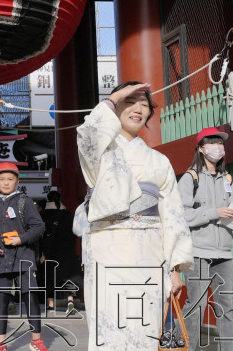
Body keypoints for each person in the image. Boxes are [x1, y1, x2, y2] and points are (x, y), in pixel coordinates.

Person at [77, 81, 193, 350]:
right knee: (109, 327)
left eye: (144, 104)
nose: (138, 109)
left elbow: (172, 215)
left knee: (145, 328)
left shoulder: (159, 161)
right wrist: (112, 98)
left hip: (149, 252)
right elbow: (89, 135)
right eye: (130, 102)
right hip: (107, 249)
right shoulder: (101, 153)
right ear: (114, 108)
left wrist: (174, 269)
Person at [178, 127, 233, 351]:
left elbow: (232, 212)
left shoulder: (227, 179)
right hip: (198, 252)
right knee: (196, 306)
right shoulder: (189, 178)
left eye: (220, 143)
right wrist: (215, 212)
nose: (217, 147)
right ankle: (187, 347)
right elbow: (181, 215)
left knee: (227, 308)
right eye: (212, 143)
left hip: (224, 254)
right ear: (201, 149)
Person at [0, 162, 47, 351]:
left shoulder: (24, 201)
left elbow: (39, 227)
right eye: (2, 179)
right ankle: (1, 344)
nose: (6, 183)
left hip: (24, 257)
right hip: (0, 260)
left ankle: (36, 341)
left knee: (30, 299)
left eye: (10, 179)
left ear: (17, 180)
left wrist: (21, 240)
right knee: (1, 301)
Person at [39, 190, 80, 312]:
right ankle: (70, 301)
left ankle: (51, 304)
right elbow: (74, 233)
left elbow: (39, 235)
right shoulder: (67, 214)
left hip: (49, 251)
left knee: (50, 277)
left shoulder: (43, 215)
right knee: (68, 276)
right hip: (66, 251)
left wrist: (41, 252)